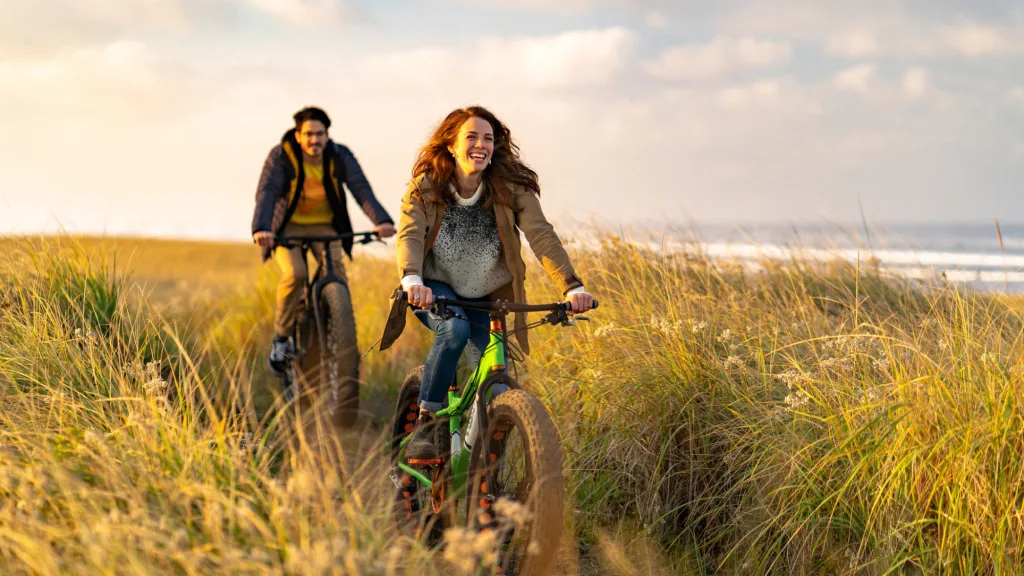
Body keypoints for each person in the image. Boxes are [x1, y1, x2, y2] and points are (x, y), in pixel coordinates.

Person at [392, 105, 594, 462]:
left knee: (498, 386)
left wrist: (572, 286)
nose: (480, 145)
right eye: (471, 137)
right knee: (453, 331)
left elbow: (541, 235)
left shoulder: (509, 187)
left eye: (488, 138)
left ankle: (484, 479)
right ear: (451, 145)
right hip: (437, 293)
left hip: (490, 296)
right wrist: (412, 279)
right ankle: (426, 423)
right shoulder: (426, 186)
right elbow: (409, 233)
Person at [252, 106, 395, 372]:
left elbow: (360, 188)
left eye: (320, 134)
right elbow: (268, 190)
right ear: (297, 135)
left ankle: (336, 328)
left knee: (337, 273)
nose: (314, 140)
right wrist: (262, 227)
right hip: (287, 229)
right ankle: (281, 340)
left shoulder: (340, 155)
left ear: (328, 135)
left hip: (327, 227)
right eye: (308, 134)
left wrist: (381, 220)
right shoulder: (282, 156)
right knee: (295, 274)